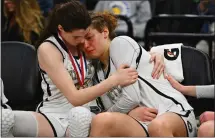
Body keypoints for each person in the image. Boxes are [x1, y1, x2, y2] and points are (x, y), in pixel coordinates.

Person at [1, 1, 138, 137]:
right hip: (53, 114)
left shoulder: (87, 43)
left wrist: (156, 52)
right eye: (76, 37)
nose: (82, 41)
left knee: (79, 115)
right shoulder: (49, 48)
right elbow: (75, 98)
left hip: (87, 113)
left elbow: (123, 50)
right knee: (4, 119)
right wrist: (114, 80)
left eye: (84, 36)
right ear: (61, 29)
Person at [71, 11, 197, 137]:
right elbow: (111, 109)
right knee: (101, 122)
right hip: (142, 122)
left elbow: (131, 97)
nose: (86, 45)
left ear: (105, 32)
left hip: (174, 113)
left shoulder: (120, 43)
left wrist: (123, 113)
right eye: (81, 42)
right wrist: (128, 113)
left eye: (89, 38)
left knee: (157, 127)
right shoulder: (96, 71)